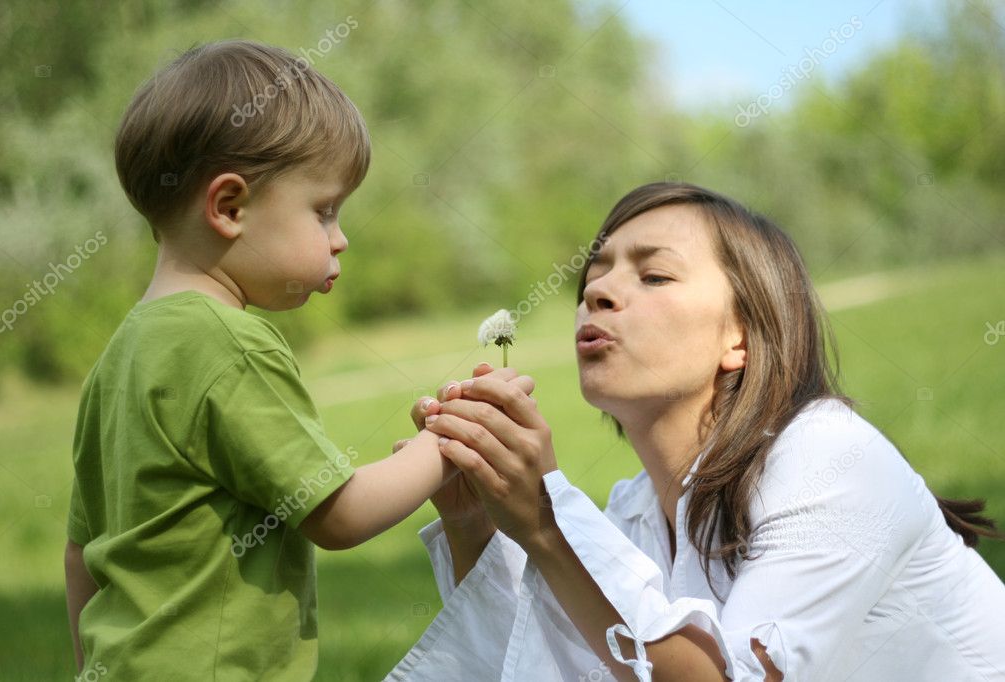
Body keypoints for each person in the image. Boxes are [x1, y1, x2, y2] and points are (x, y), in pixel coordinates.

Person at [388, 182, 1005, 681]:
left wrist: (548, 524)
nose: (598, 291)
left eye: (653, 277)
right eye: (592, 279)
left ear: (739, 336)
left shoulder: (832, 459)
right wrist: (475, 520)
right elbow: (553, 671)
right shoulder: (634, 510)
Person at [63, 39, 532, 680]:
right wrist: (450, 439)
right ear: (230, 207)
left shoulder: (121, 355)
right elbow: (338, 514)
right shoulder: (229, 342)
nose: (340, 239)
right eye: (324, 210)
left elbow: (79, 550)